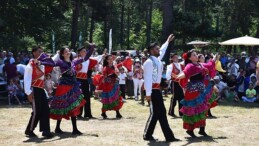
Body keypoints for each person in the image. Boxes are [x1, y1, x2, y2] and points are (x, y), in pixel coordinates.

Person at [49, 45, 94, 135]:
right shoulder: (60, 62)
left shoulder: (74, 62)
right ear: (62, 54)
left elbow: (86, 57)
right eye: (66, 52)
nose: (68, 52)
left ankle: (75, 129)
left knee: (73, 107)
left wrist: (91, 48)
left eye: (68, 51)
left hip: (73, 87)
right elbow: (51, 63)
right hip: (63, 87)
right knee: (61, 107)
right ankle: (58, 128)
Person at [173, 49, 217, 138]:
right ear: (190, 58)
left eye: (196, 54)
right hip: (193, 91)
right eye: (193, 55)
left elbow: (210, 64)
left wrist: (215, 57)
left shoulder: (201, 64)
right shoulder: (190, 65)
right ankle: (190, 130)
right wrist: (178, 76)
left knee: (203, 109)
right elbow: (185, 73)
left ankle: (202, 130)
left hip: (201, 90)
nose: (196, 56)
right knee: (193, 110)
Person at [143, 34, 179, 142]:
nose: (159, 50)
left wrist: (167, 41)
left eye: (158, 48)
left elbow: (163, 50)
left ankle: (168, 136)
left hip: (157, 90)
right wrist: (148, 94)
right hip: (152, 91)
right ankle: (148, 135)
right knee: (155, 113)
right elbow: (148, 79)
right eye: (156, 48)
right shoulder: (149, 62)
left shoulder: (157, 60)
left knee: (160, 113)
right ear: (151, 51)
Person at [24, 47, 54, 138]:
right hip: (34, 89)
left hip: (41, 89)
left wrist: (47, 58)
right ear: (34, 53)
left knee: (45, 109)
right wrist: (28, 92)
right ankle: (29, 130)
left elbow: (53, 63)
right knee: (37, 111)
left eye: (42, 52)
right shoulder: (31, 64)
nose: (42, 53)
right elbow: (27, 78)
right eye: (39, 51)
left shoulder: (42, 64)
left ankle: (46, 130)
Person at [95, 55, 123, 119]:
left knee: (116, 98)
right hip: (108, 86)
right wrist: (110, 76)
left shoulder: (114, 67)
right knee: (106, 99)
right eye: (109, 59)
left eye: (111, 59)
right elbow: (104, 78)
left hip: (114, 85)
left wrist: (116, 73)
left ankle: (117, 112)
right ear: (107, 60)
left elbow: (118, 74)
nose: (111, 60)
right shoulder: (105, 68)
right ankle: (103, 112)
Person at [75, 46, 99, 119]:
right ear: (79, 52)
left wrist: (92, 47)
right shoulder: (76, 60)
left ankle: (88, 114)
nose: (85, 52)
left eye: (86, 51)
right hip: (78, 80)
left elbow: (97, 59)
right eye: (84, 51)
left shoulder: (88, 59)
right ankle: (78, 114)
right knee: (79, 97)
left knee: (87, 96)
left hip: (85, 79)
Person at [166, 53, 184, 117]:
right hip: (174, 83)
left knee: (181, 97)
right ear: (172, 58)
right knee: (174, 97)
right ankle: (171, 112)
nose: (176, 58)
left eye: (177, 57)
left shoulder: (180, 65)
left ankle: (181, 113)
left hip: (180, 83)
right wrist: (171, 78)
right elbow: (168, 75)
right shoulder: (170, 66)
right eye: (175, 57)